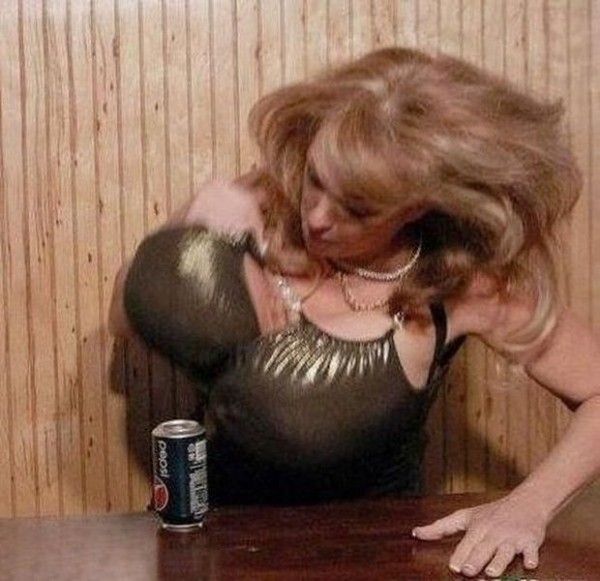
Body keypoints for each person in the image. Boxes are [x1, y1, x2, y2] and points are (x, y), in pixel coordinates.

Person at [109, 47, 600, 578]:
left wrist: (528, 507)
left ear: (417, 205)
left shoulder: (461, 287)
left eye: (357, 207)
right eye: (316, 180)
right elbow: (125, 321)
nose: (318, 217)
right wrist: (189, 230)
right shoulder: (259, 208)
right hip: (211, 553)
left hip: (375, 560)